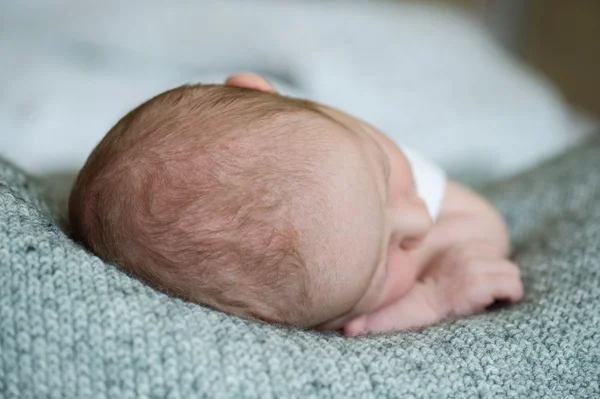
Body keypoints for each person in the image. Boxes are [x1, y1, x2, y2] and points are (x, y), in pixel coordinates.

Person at [69, 73, 523, 335]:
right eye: (380, 265)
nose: (420, 218)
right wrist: (430, 299)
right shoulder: (319, 282)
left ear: (262, 89)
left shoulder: (321, 148)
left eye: (385, 175)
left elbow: (480, 220)